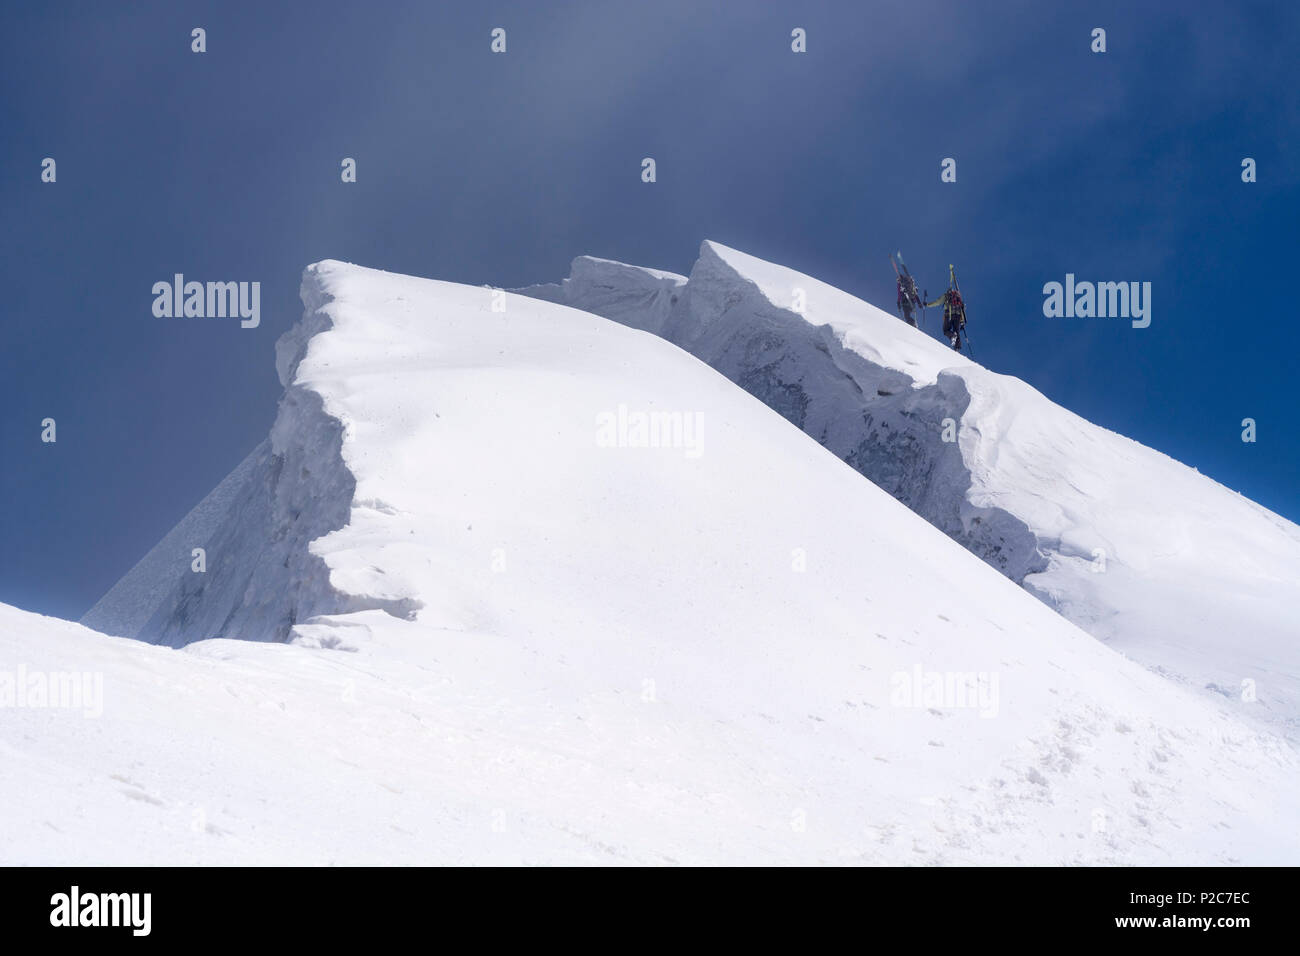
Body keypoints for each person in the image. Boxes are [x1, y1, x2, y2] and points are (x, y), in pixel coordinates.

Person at [926, 265, 967, 351]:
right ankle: (957, 348)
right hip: (958, 316)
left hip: (948, 314)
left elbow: (937, 302)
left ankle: (952, 336)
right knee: (957, 330)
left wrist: (927, 304)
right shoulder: (958, 298)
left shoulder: (946, 296)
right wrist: (962, 322)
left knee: (946, 330)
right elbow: (962, 309)